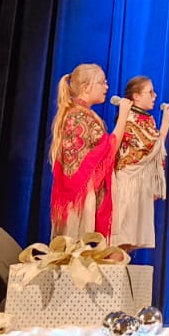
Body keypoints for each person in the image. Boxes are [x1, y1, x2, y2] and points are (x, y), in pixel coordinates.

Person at [49, 63, 131, 241]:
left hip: (81, 195)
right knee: (76, 248)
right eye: (102, 82)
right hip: (81, 196)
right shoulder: (80, 116)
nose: (106, 87)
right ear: (86, 87)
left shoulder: (79, 113)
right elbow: (109, 148)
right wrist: (123, 115)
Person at [110, 75, 169, 251]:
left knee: (129, 241)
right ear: (136, 97)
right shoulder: (129, 118)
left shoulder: (147, 119)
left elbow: (155, 154)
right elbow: (148, 148)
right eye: (150, 92)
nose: (155, 96)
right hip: (128, 184)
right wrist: (165, 124)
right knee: (121, 238)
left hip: (140, 183)